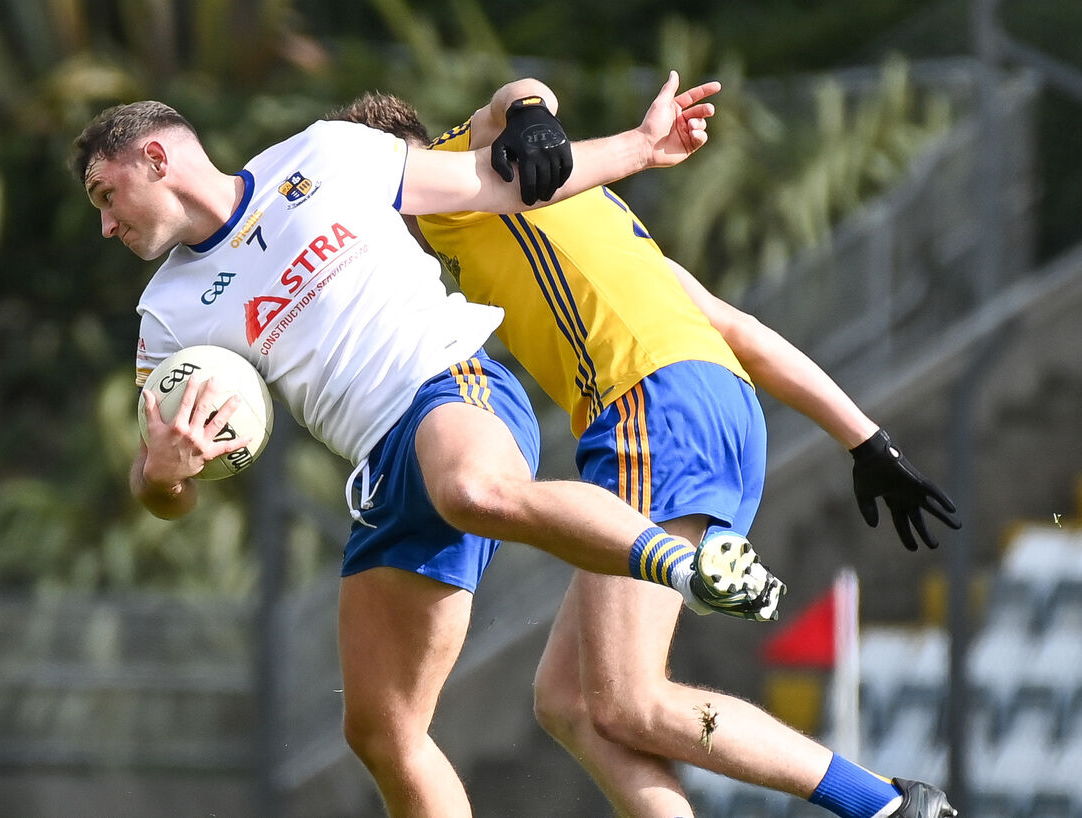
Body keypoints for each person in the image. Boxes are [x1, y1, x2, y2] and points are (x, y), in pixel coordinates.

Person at [70, 73, 791, 818]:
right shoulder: (167, 315)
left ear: (155, 159)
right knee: (383, 731)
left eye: (104, 195)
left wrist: (639, 148)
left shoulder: (324, 155)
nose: (105, 225)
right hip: (381, 471)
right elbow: (156, 489)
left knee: (473, 491)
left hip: (451, 384)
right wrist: (164, 474)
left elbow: (496, 183)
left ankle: (689, 566)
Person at [328, 81, 961, 818]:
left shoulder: (459, 177)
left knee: (629, 698)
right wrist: (867, 441)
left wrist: (529, 116)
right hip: (710, 403)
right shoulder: (576, 208)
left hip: (650, 406)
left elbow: (512, 98)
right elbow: (738, 328)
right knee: (568, 701)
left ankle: (884, 807)